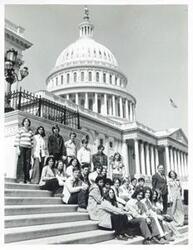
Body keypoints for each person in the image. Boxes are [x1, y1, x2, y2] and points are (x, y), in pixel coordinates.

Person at [14, 117, 33, 183]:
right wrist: (17, 149)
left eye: (28, 121)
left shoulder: (30, 131)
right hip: (21, 147)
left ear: (29, 123)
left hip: (28, 149)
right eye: (25, 121)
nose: (26, 122)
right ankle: (20, 179)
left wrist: (32, 151)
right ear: (23, 123)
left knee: (27, 164)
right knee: (21, 163)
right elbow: (17, 139)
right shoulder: (20, 130)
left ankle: (26, 179)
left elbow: (32, 142)